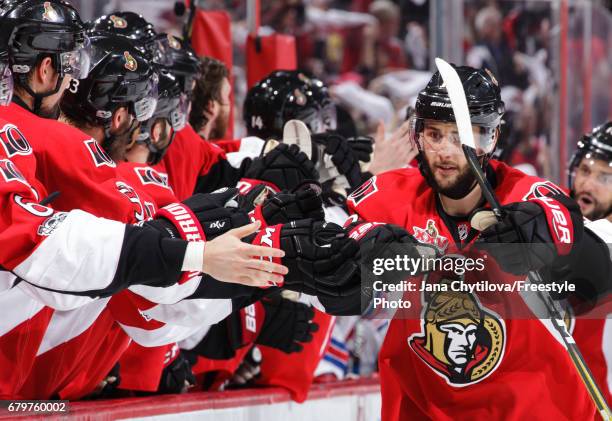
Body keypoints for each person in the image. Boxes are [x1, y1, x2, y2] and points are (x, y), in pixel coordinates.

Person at [345, 64, 611, 419]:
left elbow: (577, 241)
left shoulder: (527, 196)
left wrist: (552, 243)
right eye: (434, 134)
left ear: (490, 138)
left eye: (459, 136)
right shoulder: (390, 197)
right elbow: (331, 266)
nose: (444, 151)